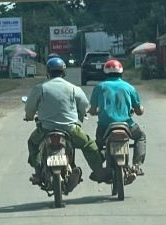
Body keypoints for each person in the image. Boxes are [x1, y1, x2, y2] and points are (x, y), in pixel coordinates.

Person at [25, 57, 107, 185]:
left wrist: (29, 116)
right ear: (64, 72)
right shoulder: (73, 88)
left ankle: (38, 172)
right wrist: (81, 115)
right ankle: (99, 172)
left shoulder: (40, 88)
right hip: (70, 129)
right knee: (89, 145)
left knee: (32, 143)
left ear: (48, 72)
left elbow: (30, 108)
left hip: (45, 129)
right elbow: (84, 106)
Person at [89, 59, 146, 176]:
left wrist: (93, 112)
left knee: (98, 144)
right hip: (127, 125)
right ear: (121, 72)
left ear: (105, 72)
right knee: (140, 136)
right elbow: (138, 111)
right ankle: (136, 165)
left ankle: (98, 169)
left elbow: (93, 110)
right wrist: (141, 109)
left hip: (104, 126)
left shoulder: (99, 87)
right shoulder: (129, 87)